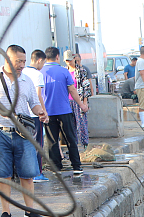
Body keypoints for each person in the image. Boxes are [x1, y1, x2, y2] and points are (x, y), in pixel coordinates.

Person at [0, 44, 50, 217]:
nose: (22, 65)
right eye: (18, 61)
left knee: (28, 173)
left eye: (24, 61)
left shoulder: (26, 81)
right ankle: (6, 212)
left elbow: (34, 103)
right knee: (3, 174)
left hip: (23, 133)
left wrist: (41, 111)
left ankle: (29, 210)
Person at [41, 46, 88, 175]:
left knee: (52, 140)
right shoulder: (63, 71)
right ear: (58, 57)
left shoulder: (40, 72)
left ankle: (56, 167)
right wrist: (81, 105)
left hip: (48, 112)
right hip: (64, 111)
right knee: (70, 139)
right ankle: (76, 166)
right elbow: (72, 90)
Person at [21, 50, 49, 181]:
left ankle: (24, 172)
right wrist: (44, 112)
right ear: (39, 60)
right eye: (43, 62)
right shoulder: (37, 74)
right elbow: (38, 96)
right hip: (34, 114)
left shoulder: (22, 72)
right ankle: (37, 173)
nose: (43, 65)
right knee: (37, 144)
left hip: (21, 115)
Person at [66, 50, 93, 141]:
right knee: (70, 125)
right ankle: (74, 145)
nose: (69, 62)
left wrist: (85, 102)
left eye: (70, 60)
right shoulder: (65, 71)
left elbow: (86, 87)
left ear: (74, 59)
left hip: (79, 100)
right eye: (67, 60)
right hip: (68, 101)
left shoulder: (81, 70)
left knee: (81, 123)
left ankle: (84, 143)